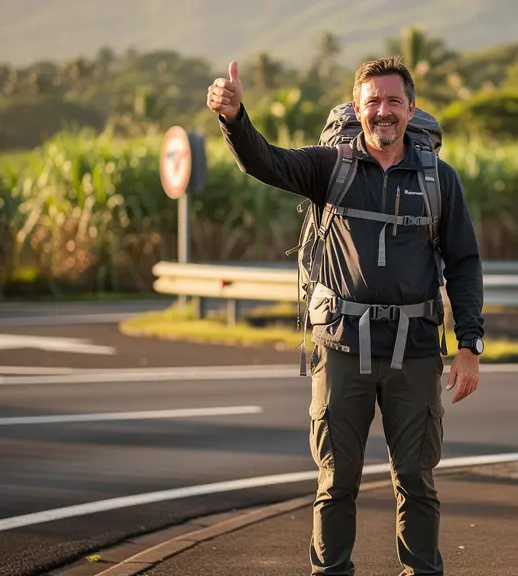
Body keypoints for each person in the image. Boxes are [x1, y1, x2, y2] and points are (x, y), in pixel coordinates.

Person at [207, 55, 485, 576]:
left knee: (417, 480)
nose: (384, 111)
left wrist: (469, 345)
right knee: (336, 481)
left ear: (411, 109)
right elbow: (264, 161)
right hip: (341, 347)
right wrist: (234, 118)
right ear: (357, 109)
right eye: (373, 101)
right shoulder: (329, 166)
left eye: (394, 101)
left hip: (415, 351)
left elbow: (464, 263)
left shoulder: (439, 180)